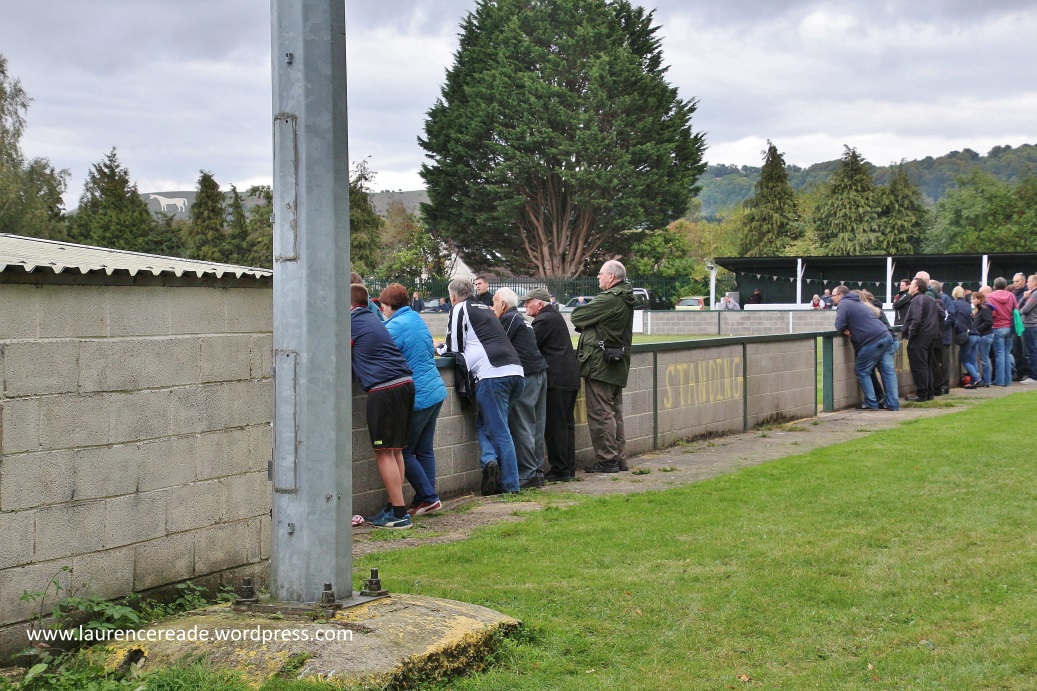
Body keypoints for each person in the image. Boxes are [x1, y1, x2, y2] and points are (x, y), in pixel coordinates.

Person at [440, 277, 524, 494]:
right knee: (486, 424)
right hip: (516, 372)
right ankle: (489, 461)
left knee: (500, 431)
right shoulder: (485, 308)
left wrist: (437, 348)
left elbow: (453, 348)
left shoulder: (460, 308)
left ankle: (511, 485)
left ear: (453, 296)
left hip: (492, 375)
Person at [350, 283, 415, 529]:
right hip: (405, 384)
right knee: (395, 450)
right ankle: (394, 506)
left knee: (384, 451)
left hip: (384, 389)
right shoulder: (372, 318)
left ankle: (399, 513)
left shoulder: (351, 323)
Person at [380, 283, 447, 516]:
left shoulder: (394, 326)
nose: (382, 311)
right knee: (425, 449)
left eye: (383, 306)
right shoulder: (416, 319)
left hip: (417, 396)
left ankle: (429, 498)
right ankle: (425, 500)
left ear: (389, 305)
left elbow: (376, 349)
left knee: (404, 450)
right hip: (435, 390)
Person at [571, 260, 636, 473]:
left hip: (600, 364)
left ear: (611, 276)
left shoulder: (610, 298)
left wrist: (591, 321)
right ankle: (619, 459)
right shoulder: (625, 297)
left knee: (601, 414)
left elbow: (577, 316)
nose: (598, 277)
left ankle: (607, 460)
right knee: (615, 413)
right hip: (616, 361)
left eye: (600, 273)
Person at [521, 287, 580, 482]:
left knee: (555, 425)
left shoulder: (544, 320)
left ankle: (560, 469)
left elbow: (529, 345)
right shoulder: (554, 316)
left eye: (528, 302)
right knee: (566, 424)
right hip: (568, 377)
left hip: (557, 379)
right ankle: (568, 467)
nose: (525, 305)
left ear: (539, 303)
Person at [492, 288, 548, 489]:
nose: (492, 307)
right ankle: (537, 471)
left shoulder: (508, 319)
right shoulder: (520, 318)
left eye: (494, 303)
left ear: (503, 304)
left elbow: (495, 344)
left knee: (522, 423)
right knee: (537, 424)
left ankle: (527, 474)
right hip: (540, 371)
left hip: (528, 374)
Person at [832, 286, 899, 411]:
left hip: (872, 340)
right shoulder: (858, 302)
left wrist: (845, 329)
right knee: (887, 371)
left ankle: (871, 402)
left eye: (833, 296)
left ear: (841, 295)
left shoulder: (844, 303)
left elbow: (839, 324)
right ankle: (893, 404)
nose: (832, 298)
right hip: (886, 336)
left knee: (862, 370)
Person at [901, 277, 944, 401]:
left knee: (919, 365)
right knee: (927, 365)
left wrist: (910, 333)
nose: (909, 287)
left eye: (911, 285)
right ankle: (929, 393)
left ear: (916, 288)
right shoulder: (930, 299)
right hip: (931, 335)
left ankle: (922, 394)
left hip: (920, 336)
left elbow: (917, 318)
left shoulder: (917, 299)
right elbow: (941, 313)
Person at [987, 277, 1018, 387]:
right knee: (1007, 354)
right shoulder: (1011, 295)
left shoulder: (990, 296)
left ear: (994, 286)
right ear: (1005, 285)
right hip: (1009, 327)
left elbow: (992, 313)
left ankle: (999, 381)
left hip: (997, 326)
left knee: (999, 354)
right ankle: (1008, 380)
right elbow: (1016, 309)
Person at [929, 280, 953, 395]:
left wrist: (938, 326)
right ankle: (937, 386)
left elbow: (950, 316)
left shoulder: (945, 299)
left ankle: (945, 386)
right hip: (936, 336)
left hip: (944, 337)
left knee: (944, 363)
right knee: (935, 363)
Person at [950, 286, 976, 386]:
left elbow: (954, 319)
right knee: (973, 360)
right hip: (973, 332)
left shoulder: (954, 304)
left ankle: (976, 378)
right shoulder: (968, 304)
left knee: (965, 360)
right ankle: (975, 380)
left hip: (964, 334)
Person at [1018, 274, 1037, 384]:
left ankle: (1033, 376)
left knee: (1031, 352)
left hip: (1030, 326)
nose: (1027, 284)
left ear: (1035, 283)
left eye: (1029, 281)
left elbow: (1024, 310)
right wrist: (1024, 298)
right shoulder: (1031, 294)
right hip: (1030, 326)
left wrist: (1024, 300)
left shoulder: (1035, 294)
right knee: (1031, 351)